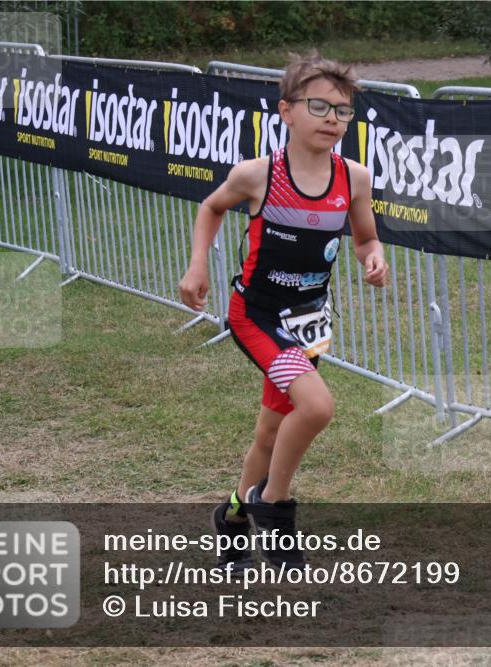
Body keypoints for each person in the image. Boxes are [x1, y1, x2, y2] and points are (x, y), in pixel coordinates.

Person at [178, 52, 388, 572]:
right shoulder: (257, 175)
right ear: (286, 111)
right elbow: (211, 206)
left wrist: (374, 258)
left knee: (270, 435)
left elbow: (365, 238)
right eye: (318, 106)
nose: (332, 119)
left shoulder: (353, 178)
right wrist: (197, 265)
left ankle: (230, 517)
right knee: (315, 408)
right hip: (258, 317)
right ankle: (272, 505)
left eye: (342, 111)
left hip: (309, 323)